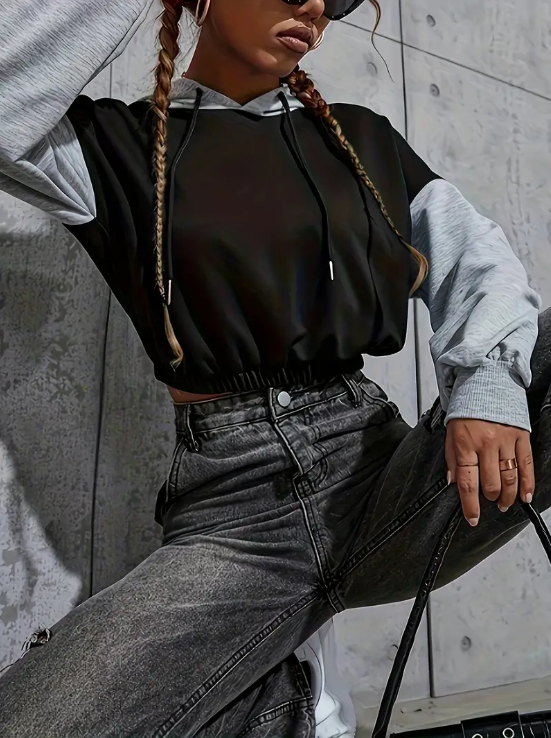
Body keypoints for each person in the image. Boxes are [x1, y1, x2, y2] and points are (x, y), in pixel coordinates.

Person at [0, 0, 550, 736]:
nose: (314, 5)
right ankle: (286, 696)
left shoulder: (363, 139)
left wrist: (486, 383)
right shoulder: (112, 146)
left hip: (384, 480)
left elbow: (474, 261)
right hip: (235, 518)